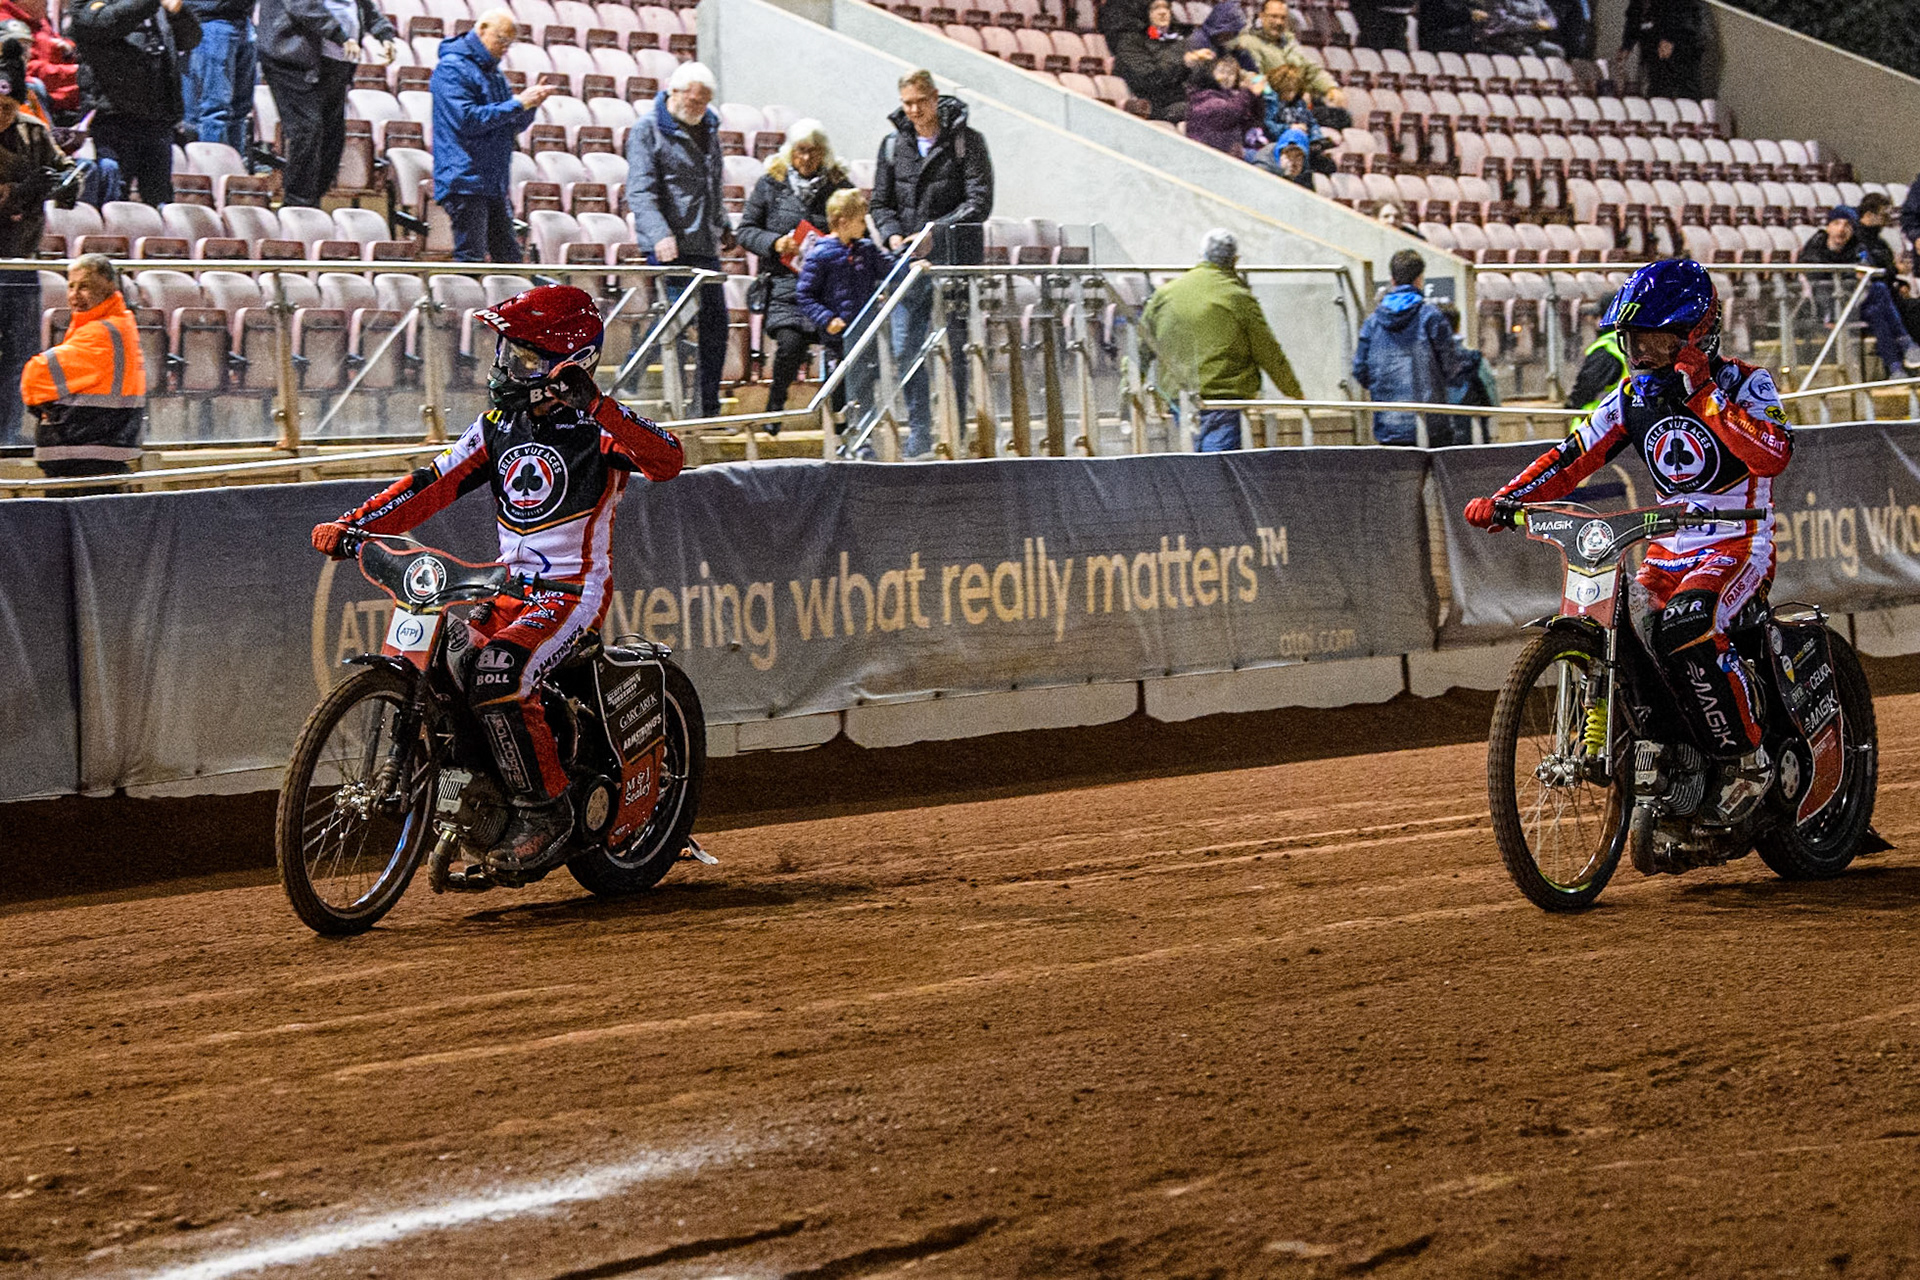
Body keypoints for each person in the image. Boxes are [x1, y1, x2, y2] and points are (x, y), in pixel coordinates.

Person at [310, 285, 685, 871]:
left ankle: (546, 809)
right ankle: (485, 799)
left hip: (570, 594)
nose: (508, 365)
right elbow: (429, 485)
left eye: (526, 357)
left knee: (498, 673)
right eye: (507, 351)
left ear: (569, 364)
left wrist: (600, 406)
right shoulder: (496, 424)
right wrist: (352, 523)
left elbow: (668, 460)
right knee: (454, 669)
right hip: (507, 589)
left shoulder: (598, 430)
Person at [1465, 258, 1792, 822]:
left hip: (1738, 543)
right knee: (1620, 625)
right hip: (1668, 546)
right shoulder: (1627, 395)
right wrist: (1509, 500)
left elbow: (1774, 453)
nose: (1640, 356)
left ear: (1697, 335)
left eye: (1655, 343)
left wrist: (1704, 397)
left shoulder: (1745, 382)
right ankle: (1670, 754)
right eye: (1632, 342)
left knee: (1688, 624)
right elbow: (1571, 457)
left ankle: (1749, 758)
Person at [870, 69, 993, 457]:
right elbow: (880, 203)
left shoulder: (967, 142)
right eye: (907, 103)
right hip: (908, 265)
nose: (914, 110)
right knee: (907, 347)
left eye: (920, 102)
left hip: (952, 263)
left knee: (956, 349)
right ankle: (920, 429)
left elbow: (979, 202)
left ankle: (954, 427)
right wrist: (892, 233)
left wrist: (935, 232)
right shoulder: (892, 145)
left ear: (935, 98)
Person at [627, 60, 731, 419]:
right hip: (669, 245)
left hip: (704, 241)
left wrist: (724, 223)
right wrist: (659, 234)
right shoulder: (647, 130)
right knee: (674, 319)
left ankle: (707, 406)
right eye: (694, 101)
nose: (699, 109)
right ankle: (631, 373)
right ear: (674, 92)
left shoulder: (709, 128)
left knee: (717, 325)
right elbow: (640, 191)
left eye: (705, 102)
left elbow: (712, 185)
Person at [1140, 229, 1302, 452]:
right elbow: (1269, 352)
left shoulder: (1166, 294)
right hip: (1225, 398)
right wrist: (1293, 391)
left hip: (1181, 396)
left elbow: (1141, 345)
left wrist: (1128, 388)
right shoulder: (1238, 297)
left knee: (1193, 459)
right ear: (1235, 260)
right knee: (1219, 465)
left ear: (1201, 255)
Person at [736, 118, 850, 428]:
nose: (805, 159)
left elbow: (856, 229)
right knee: (790, 345)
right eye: (800, 151)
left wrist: (836, 244)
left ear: (823, 154)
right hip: (785, 286)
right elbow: (745, 231)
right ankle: (775, 407)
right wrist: (774, 243)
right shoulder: (770, 184)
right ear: (790, 152)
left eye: (813, 152)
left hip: (828, 290)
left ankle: (843, 420)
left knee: (841, 349)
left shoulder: (839, 186)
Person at [431, 10, 555, 263]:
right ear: (482, 30)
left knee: (509, 260)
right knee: (471, 258)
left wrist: (530, 105)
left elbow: (507, 124)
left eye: (509, 43)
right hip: (465, 178)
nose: (505, 49)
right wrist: (518, 103)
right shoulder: (452, 68)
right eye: (501, 40)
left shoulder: (494, 73)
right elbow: (467, 120)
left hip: (492, 180)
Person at [0, 46, 71, 448]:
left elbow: (63, 167)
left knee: (20, 357)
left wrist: (67, 181)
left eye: (8, 105)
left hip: (21, 262)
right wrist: (18, 194)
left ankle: (6, 434)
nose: (2, 114)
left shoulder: (31, 130)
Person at [257, 0, 395, 207]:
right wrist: (339, 35)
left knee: (333, 137)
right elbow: (302, 6)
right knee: (307, 130)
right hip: (293, 61)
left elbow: (364, 6)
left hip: (335, 63)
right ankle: (298, 204)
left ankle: (312, 201)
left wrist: (384, 34)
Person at [26, 254, 145, 482]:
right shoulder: (118, 324)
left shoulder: (102, 332)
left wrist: (45, 408)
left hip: (84, 455)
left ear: (109, 287)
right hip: (104, 450)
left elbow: (34, 376)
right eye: (71, 286)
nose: (74, 295)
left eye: (85, 287)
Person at [67, 0, 198, 205]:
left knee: (159, 200)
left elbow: (190, 39)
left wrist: (178, 13)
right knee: (114, 198)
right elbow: (99, 24)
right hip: (115, 117)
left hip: (158, 118)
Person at [1351, 250, 1475, 445]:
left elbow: (1359, 370)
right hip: (1431, 424)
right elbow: (1451, 368)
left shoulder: (1372, 322)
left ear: (1392, 280)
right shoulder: (1430, 317)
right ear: (1419, 280)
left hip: (1388, 425)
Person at [796, 188, 888, 427]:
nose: (863, 226)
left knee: (867, 385)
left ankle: (865, 436)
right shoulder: (820, 254)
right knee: (839, 389)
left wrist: (911, 259)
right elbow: (805, 294)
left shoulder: (866, 250)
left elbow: (890, 268)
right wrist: (827, 319)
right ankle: (839, 437)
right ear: (843, 222)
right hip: (837, 339)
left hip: (864, 333)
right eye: (860, 221)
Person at [1855, 193, 1920, 375]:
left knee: (1911, 307)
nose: (1887, 219)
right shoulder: (1858, 240)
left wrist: (1899, 282)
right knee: (1907, 310)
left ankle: (1901, 365)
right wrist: (1896, 271)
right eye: (1883, 214)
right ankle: (1906, 348)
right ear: (1869, 214)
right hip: (1865, 298)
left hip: (1885, 299)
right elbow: (1871, 273)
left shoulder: (1881, 242)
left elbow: (1886, 272)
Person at [1111, 0, 1208, 122]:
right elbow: (1150, 79)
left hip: (1182, 100)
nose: (1163, 12)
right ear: (1144, 13)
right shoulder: (1130, 43)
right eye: (1156, 8)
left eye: (1166, 8)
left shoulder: (1178, 41)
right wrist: (1184, 63)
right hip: (1151, 106)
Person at [181, 0, 253, 153]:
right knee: (214, 111)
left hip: (242, 20)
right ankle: (213, 173)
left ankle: (234, 172)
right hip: (211, 21)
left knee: (239, 111)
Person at [1232, 0, 1335, 100]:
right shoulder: (1248, 43)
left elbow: (1311, 70)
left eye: (1283, 18)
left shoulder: (1290, 43)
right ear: (1261, 16)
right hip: (1269, 104)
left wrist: (1331, 88)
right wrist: (1294, 95)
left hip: (1297, 102)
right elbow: (1254, 78)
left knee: (1337, 109)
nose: (1278, 22)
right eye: (1274, 16)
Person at [0, 0, 77, 117]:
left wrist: (69, 52)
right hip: (36, 95)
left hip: (62, 89)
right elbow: (26, 68)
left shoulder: (36, 17)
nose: (48, 2)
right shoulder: (6, 23)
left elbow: (62, 44)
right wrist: (76, 73)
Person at [1436, 301, 1498, 442]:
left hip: (1435, 436)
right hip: (1472, 434)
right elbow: (1492, 399)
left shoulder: (1427, 362)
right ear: (1458, 326)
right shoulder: (1475, 359)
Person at [1620, 0, 1705, 101]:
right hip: (1653, 45)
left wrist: (1669, 38)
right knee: (1658, 87)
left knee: (1683, 88)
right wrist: (1626, 46)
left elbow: (1683, 11)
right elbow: (1634, 16)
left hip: (1681, 42)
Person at [1184, 50, 1262, 156]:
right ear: (1211, 73)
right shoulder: (1204, 95)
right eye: (1221, 71)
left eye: (1231, 73)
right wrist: (1249, 93)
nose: (1226, 77)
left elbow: (1252, 121)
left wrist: (1257, 98)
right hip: (1203, 152)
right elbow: (1229, 111)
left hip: (1227, 152)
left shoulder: (1236, 97)